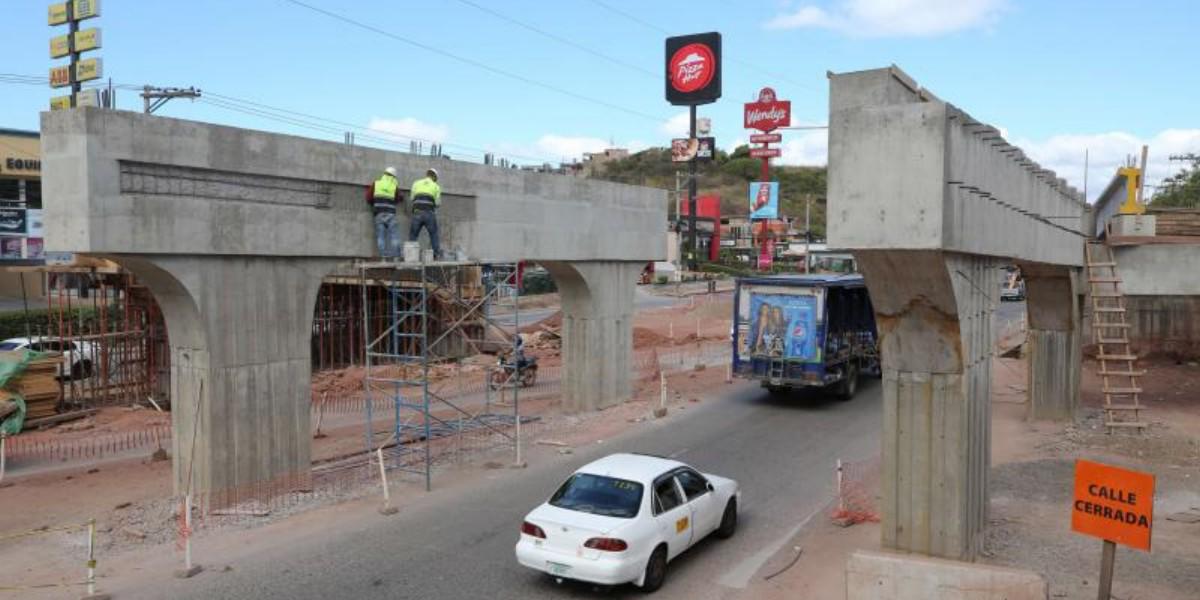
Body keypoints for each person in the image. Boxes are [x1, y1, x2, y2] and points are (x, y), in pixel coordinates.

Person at [409, 167, 442, 259]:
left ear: (427, 174)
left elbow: (412, 198)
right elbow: (438, 203)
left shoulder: (416, 183)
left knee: (413, 235)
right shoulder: (436, 186)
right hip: (429, 213)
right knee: (433, 234)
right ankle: (436, 255)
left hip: (417, 212)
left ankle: (411, 256)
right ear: (434, 177)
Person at [369, 167, 402, 257]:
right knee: (394, 236)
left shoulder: (376, 183)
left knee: (381, 236)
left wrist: (376, 202)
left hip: (379, 213)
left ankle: (383, 257)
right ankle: (396, 256)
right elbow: (398, 198)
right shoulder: (394, 186)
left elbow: (369, 197)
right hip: (390, 213)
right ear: (393, 177)